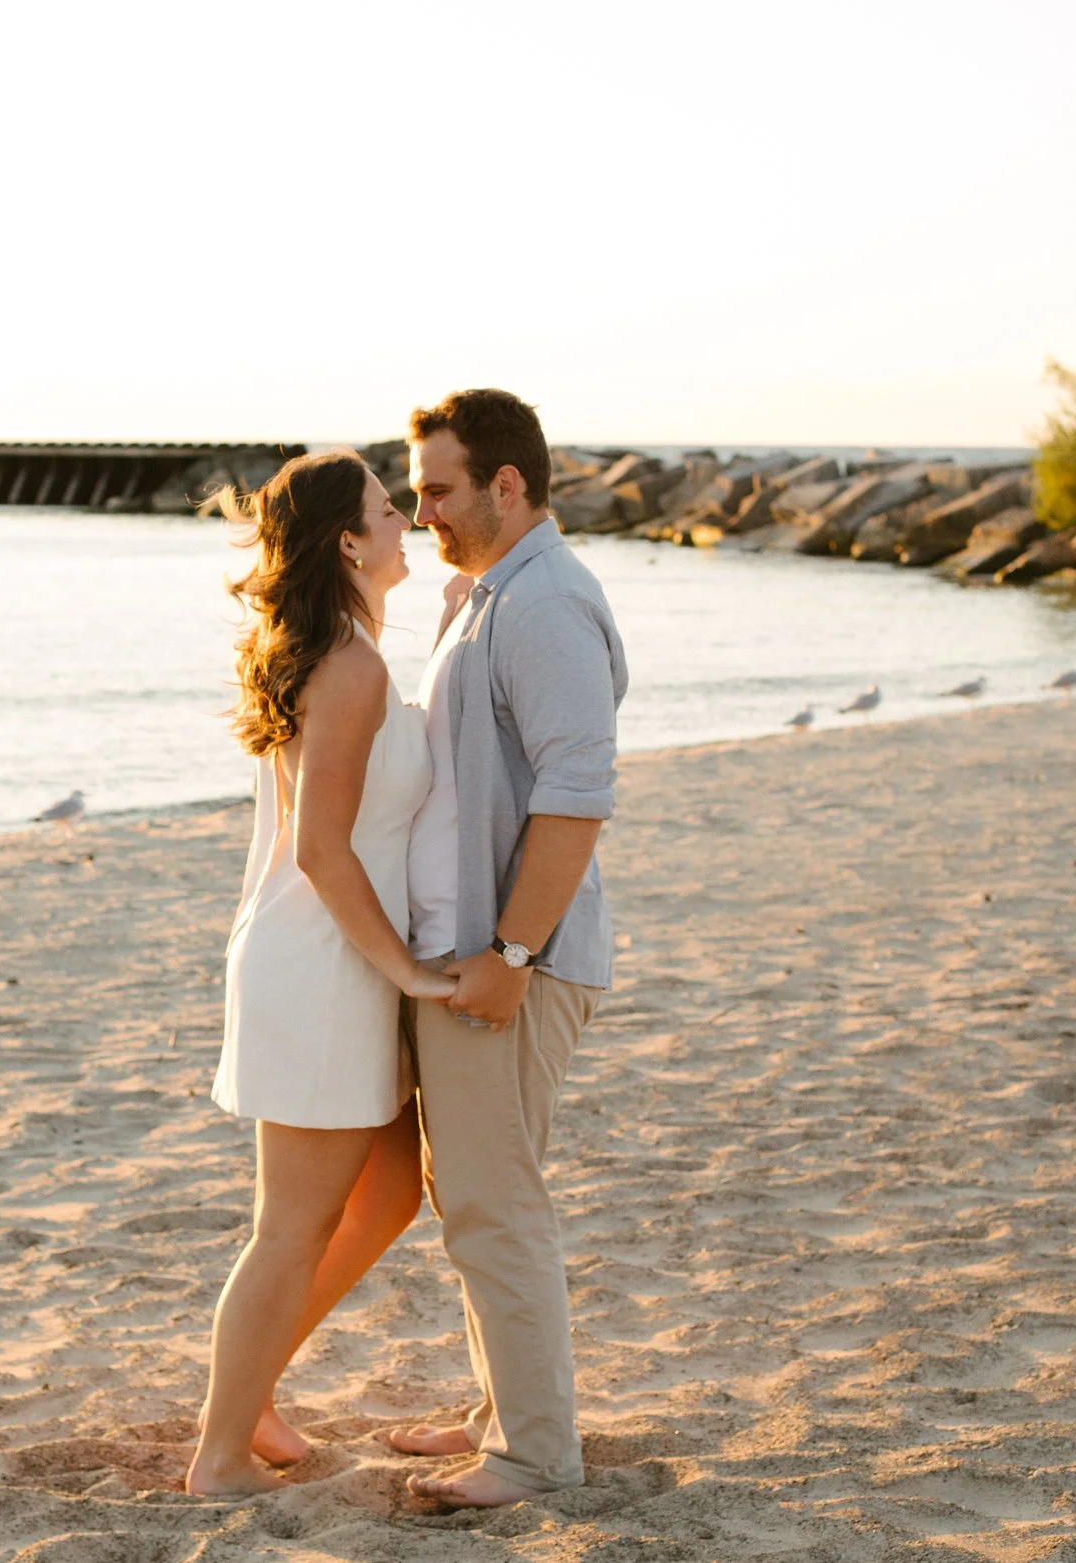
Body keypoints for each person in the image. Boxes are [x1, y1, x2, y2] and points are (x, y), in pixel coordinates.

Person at [185, 449, 457, 1497]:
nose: (407, 522)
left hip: (336, 962)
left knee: (386, 1195)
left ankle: (247, 1391)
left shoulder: (349, 650)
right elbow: (321, 850)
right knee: (289, 1228)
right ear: (347, 541)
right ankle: (220, 1453)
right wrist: (411, 973)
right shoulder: (348, 665)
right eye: (389, 509)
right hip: (324, 968)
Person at [388, 388, 629, 1509]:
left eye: (438, 489)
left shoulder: (544, 603)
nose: (420, 511)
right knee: (473, 1192)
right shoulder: (489, 595)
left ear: (507, 482)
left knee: (496, 1199)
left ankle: (533, 1454)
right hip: (473, 947)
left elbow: (578, 794)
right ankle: (504, 1413)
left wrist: (511, 952)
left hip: (513, 955)